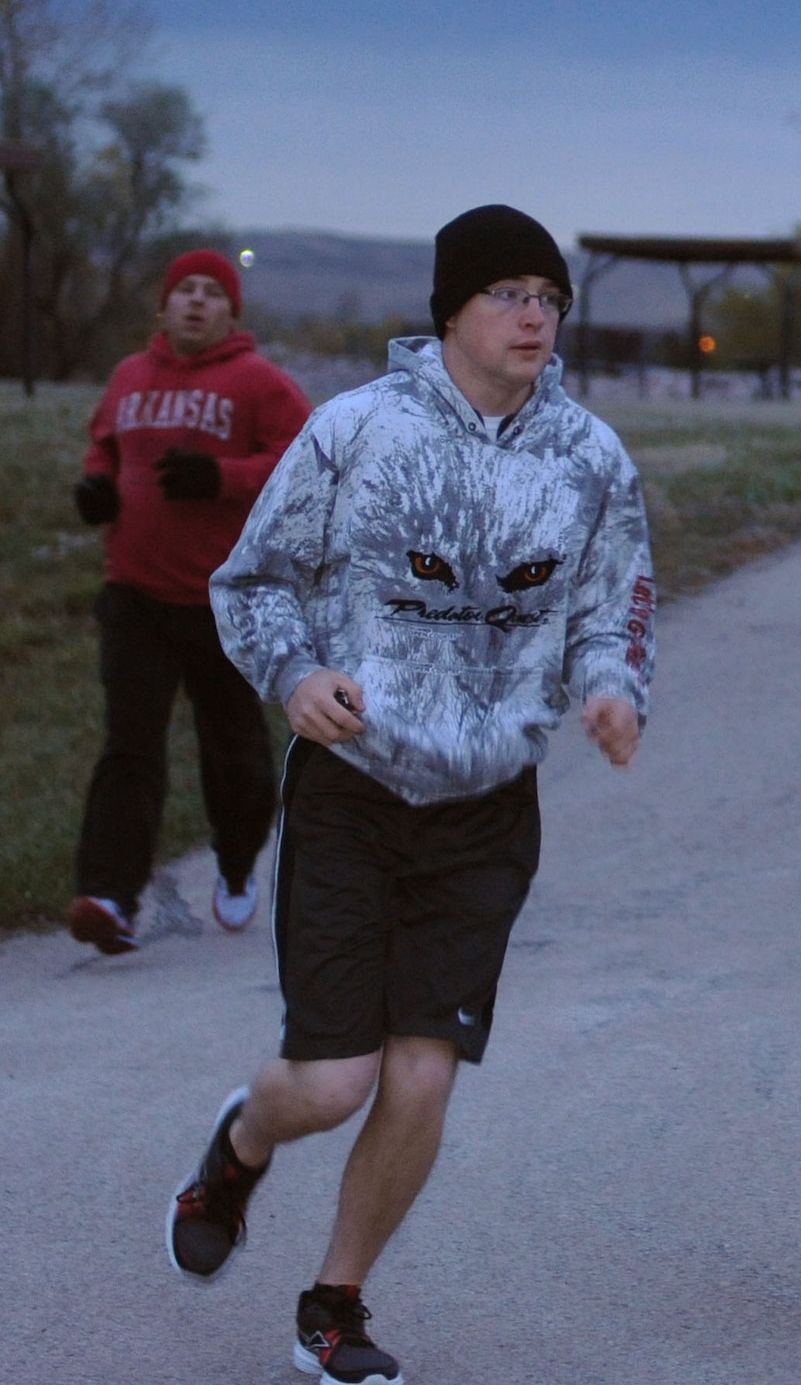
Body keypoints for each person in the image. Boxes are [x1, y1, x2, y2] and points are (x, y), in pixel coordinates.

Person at [167, 205, 655, 1385]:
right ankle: (241, 1142)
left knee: (423, 1072)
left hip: (486, 806)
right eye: (508, 294)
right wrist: (295, 675)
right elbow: (254, 581)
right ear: (450, 310)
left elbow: (614, 608)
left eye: (550, 297)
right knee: (330, 1083)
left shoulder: (589, 457)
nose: (535, 317)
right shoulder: (356, 430)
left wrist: (611, 687)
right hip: (354, 784)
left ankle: (333, 1304)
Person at [65, 251, 310, 954]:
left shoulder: (258, 381)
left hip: (224, 598)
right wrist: (97, 487)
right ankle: (109, 896)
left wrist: (223, 477)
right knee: (130, 743)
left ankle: (235, 862)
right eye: (185, 291)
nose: (197, 301)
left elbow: (305, 461)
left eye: (212, 292)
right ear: (164, 306)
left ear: (232, 312)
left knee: (233, 746)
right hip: (133, 592)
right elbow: (104, 449)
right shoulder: (128, 376)